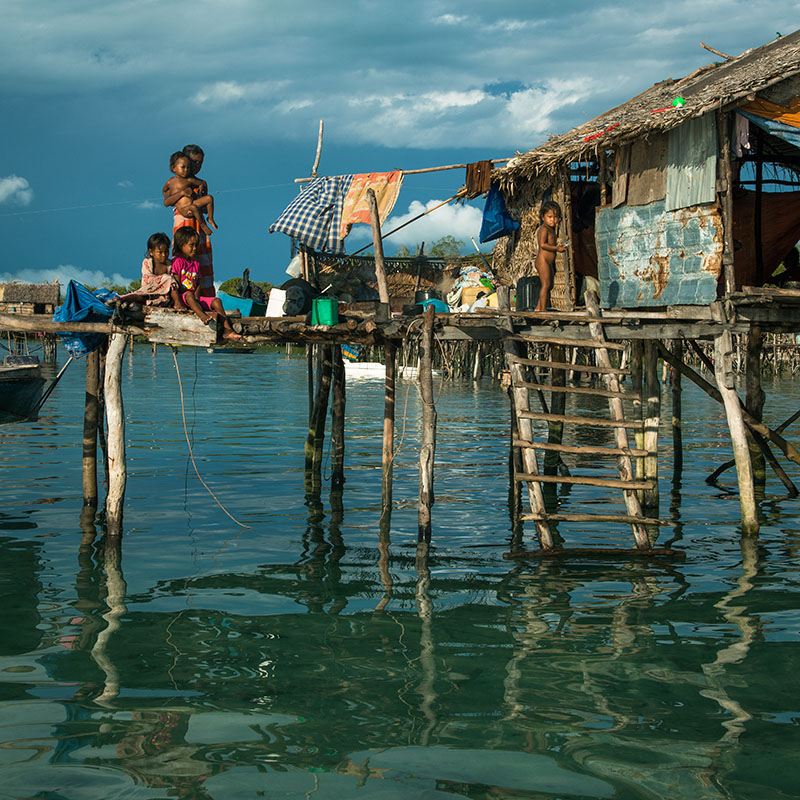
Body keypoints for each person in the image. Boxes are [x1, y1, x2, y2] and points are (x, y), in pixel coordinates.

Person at [171, 228, 241, 340]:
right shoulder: (177, 261)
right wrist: (187, 299)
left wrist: (197, 297)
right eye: (191, 245)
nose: (194, 248)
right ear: (181, 245)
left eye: (196, 245)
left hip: (194, 299)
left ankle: (227, 330)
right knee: (189, 294)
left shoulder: (195, 264)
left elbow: (198, 282)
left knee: (217, 301)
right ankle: (202, 316)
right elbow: (176, 282)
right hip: (183, 298)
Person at [171, 144, 215, 299]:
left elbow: (204, 207)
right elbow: (170, 200)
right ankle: (182, 296)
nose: (198, 166)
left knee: (200, 258)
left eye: (200, 163)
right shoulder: (176, 182)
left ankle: (203, 297)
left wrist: (197, 200)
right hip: (184, 221)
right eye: (195, 162)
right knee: (182, 256)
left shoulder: (202, 183)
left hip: (199, 223)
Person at [118, 233, 183, 308]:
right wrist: (165, 279)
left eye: (166, 252)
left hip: (163, 296)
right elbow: (147, 280)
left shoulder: (169, 264)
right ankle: (120, 300)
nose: (164, 255)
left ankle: (177, 303)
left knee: (171, 283)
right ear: (151, 252)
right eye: (160, 252)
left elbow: (172, 285)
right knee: (137, 297)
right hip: (148, 292)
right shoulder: (147, 262)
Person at [162, 152, 217, 236]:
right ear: (174, 168)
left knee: (209, 198)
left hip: (193, 204)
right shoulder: (171, 182)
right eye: (183, 167)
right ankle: (203, 225)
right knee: (193, 208)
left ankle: (210, 218)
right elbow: (165, 193)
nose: (186, 170)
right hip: (184, 209)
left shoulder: (189, 180)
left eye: (188, 167)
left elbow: (201, 183)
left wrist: (201, 186)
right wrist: (181, 193)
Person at [535, 200, 568, 312]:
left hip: (548, 262)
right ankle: (543, 310)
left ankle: (538, 308)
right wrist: (557, 248)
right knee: (545, 285)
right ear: (542, 217)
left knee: (549, 285)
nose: (553, 220)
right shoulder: (543, 229)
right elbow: (543, 245)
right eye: (549, 217)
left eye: (555, 217)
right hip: (543, 260)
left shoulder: (551, 229)